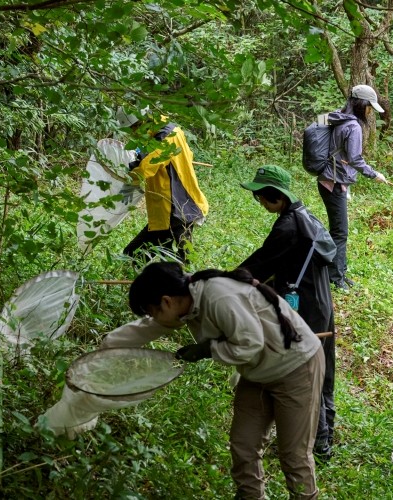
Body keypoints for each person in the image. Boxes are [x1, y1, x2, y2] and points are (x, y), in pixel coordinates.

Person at [128, 262, 325, 500]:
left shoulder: (219, 298)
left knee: (294, 454)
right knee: (243, 444)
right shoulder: (187, 300)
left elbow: (250, 344)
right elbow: (147, 327)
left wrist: (207, 350)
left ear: (167, 301)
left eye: (153, 312)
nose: (154, 319)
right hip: (258, 372)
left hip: (295, 366)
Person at [238, 165, 337, 461]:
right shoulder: (306, 217)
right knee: (324, 369)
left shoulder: (287, 226)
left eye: (261, 198)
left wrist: (222, 278)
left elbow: (259, 264)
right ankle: (325, 433)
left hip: (304, 308)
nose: (260, 203)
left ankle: (319, 442)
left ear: (276, 198)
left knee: (306, 371)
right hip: (321, 303)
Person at [317, 84, 388, 292]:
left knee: (338, 231)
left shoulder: (338, 117)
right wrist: (374, 174)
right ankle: (335, 277)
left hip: (328, 179)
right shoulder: (354, 126)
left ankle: (340, 271)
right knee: (340, 233)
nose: (370, 112)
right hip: (334, 182)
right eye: (369, 107)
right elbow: (356, 158)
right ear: (361, 104)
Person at [117, 108, 209, 262]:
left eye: (132, 129)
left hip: (178, 208)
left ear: (141, 122)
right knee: (132, 256)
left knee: (179, 261)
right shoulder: (168, 130)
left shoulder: (165, 136)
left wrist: (128, 181)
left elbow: (146, 166)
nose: (133, 134)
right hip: (167, 210)